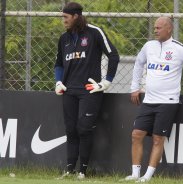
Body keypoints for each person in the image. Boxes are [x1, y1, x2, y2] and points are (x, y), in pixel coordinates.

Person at [125, 16, 183, 182]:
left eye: (159, 28)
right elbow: (138, 64)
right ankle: (135, 174)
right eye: (155, 27)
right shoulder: (148, 46)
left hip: (168, 102)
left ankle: (147, 177)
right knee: (136, 134)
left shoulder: (178, 48)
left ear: (169, 29)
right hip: (148, 101)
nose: (155, 30)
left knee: (158, 139)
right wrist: (134, 87)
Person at [54, 2, 119, 179]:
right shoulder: (64, 38)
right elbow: (59, 64)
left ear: (76, 16)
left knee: (83, 129)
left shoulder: (94, 32)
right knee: (71, 130)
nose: (63, 21)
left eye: (66, 17)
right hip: (69, 91)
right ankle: (69, 171)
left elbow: (113, 55)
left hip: (89, 90)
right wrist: (58, 82)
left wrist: (106, 82)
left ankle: (82, 172)